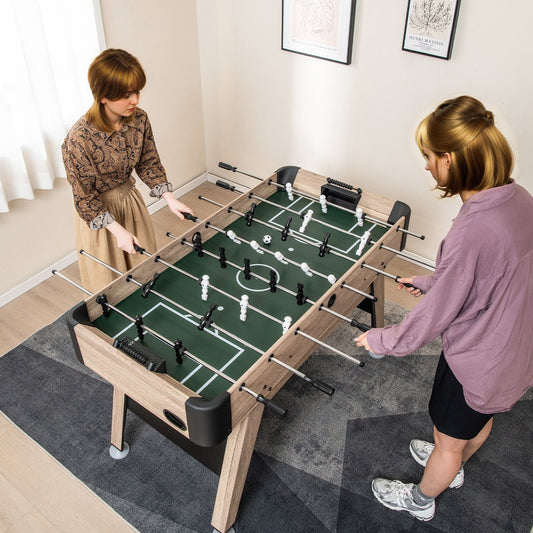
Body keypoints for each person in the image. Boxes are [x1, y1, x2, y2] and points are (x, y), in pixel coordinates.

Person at [355, 95, 533, 521]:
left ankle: (423, 497)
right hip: (513, 353)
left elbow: (434, 317)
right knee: (479, 417)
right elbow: (490, 276)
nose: (426, 165)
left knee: (448, 436)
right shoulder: (518, 198)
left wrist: (382, 339)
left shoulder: (470, 230)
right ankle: (449, 457)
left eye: (429, 156)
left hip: (478, 358)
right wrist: (432, 280)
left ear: (450, 160)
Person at [62, 48, 194, 292]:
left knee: (144, 270)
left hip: (130, 201)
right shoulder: (78, 139)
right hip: (98, 216)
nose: (135, 100)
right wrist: (118, 231)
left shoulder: (140, 119)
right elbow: (84, 197)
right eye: (126, 95)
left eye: (137, 91)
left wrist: (170, 199)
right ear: (103, 96)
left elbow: (148, 162)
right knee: (109, 284)